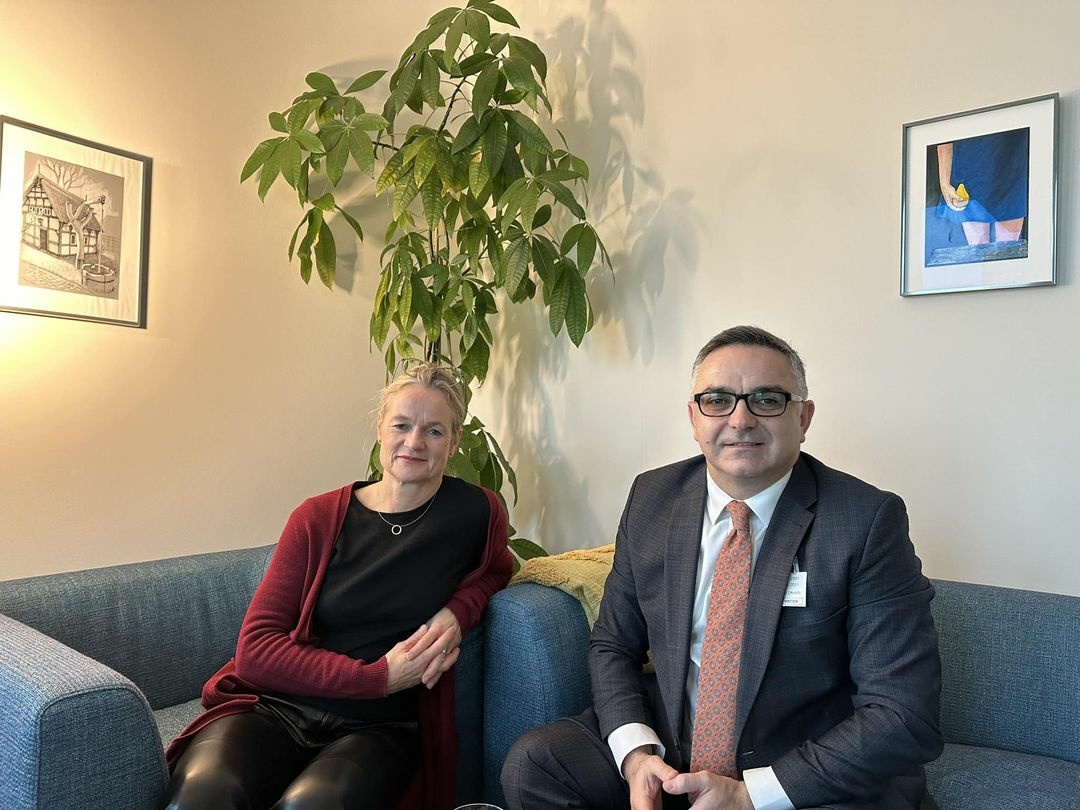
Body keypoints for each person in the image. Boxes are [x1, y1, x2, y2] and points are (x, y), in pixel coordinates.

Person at [502, 326, 942, 810]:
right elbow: (613, 645)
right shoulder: (652, 498)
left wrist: (748, 795)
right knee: (537, 763)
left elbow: (902, 713)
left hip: (798, 767)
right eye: (717, 400)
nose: (741, 420)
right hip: (671, 751)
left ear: (804, 417)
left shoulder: (866, 520)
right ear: (694, 418)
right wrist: (637, 755)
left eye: (768, 400)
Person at [165, 360, 513, 810]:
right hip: (276, 708)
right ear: (380, 428)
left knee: (311, 806)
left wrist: (456, 614)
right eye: (401, 425)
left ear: (455, 441)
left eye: (434, 431)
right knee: (201, 796)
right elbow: (256, 649)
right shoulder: (316, 517)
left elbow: (497, 570)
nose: (414, 442)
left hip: (379, 728)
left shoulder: (475, 512)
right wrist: (377, 677)